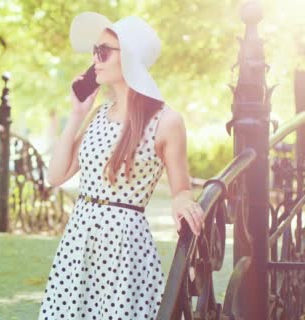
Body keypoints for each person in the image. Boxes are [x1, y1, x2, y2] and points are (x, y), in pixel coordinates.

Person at [39, 12, 205, 319]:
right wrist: (76, 114)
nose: (95, 59)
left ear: (127, 57)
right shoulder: (99, 114)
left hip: (125, 247)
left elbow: (180, 187)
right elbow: (56, 175)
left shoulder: (167, 121)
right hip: (80, 240)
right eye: (94, 51)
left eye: (103, 51)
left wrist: (184, 202)